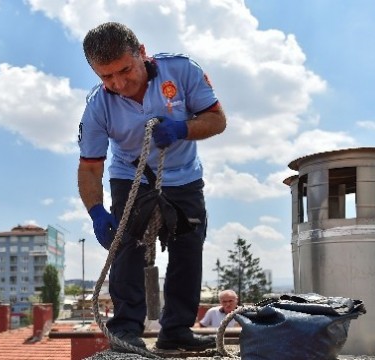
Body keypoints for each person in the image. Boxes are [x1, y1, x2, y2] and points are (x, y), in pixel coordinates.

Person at [77, 22, 227, 352]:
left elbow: (217, 119)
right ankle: (126, 330)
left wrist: (182, 129)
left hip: (184, 176)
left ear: (142, 53)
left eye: (124, 70)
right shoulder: (97, 105)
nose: (118, 83)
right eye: (106, 77)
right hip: (130, 176)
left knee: (188, 249)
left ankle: (176, 331)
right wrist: (97, 213)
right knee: (128, 246)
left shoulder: (182, 71)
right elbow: (89, 167)